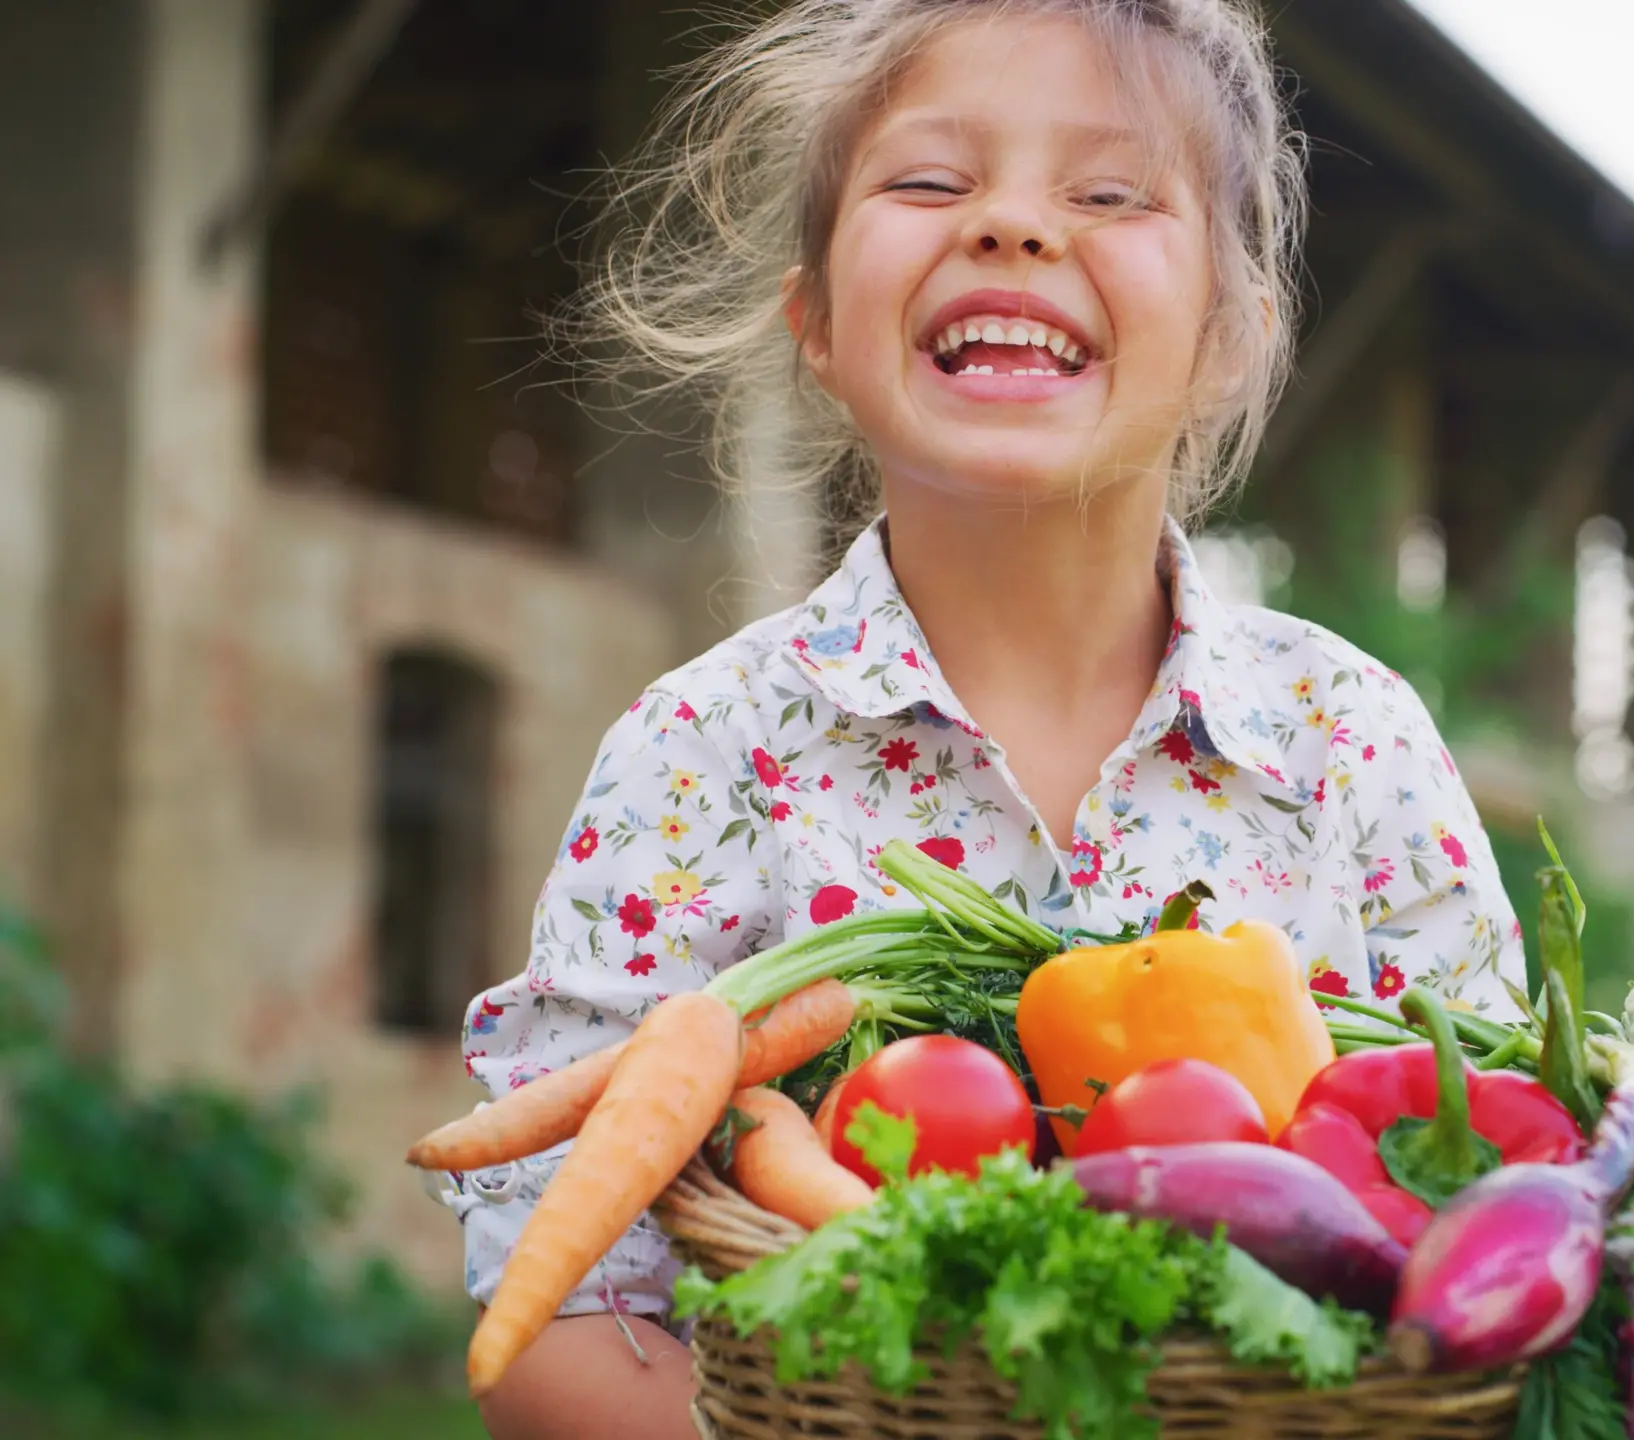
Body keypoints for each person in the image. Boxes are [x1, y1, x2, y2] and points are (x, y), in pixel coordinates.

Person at [453, 1, 1526, 1435]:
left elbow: (1501, 1208)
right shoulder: (701, 752)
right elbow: (558, 1309)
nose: (1014, 226)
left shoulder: (1354, 749)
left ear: (1229, 340)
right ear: (819, 325)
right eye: (930, 182)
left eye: (1109, 192)